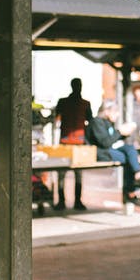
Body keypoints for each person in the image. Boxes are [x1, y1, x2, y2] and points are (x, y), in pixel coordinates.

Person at [86, 100, 140, 208]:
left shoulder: (108, 123)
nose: (117, 115)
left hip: (111, 149)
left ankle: (138, 174)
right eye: (115, 112)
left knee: (130, 149)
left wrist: (125, 133)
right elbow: (105, 142)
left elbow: (112, 139)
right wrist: (120, 132)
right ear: (107, 111)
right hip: (101, 152)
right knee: (128, 159)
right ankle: (131, 192)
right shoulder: (97, 122)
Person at [54, 78, 92, 211]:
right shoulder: (84, 104)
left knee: (63, 173)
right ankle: (74, 201)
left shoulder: (64, 102)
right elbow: (90, 121)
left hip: (67, 141)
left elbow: (56, 117)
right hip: (76, 142)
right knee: (75, 173)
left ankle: (63, 201)